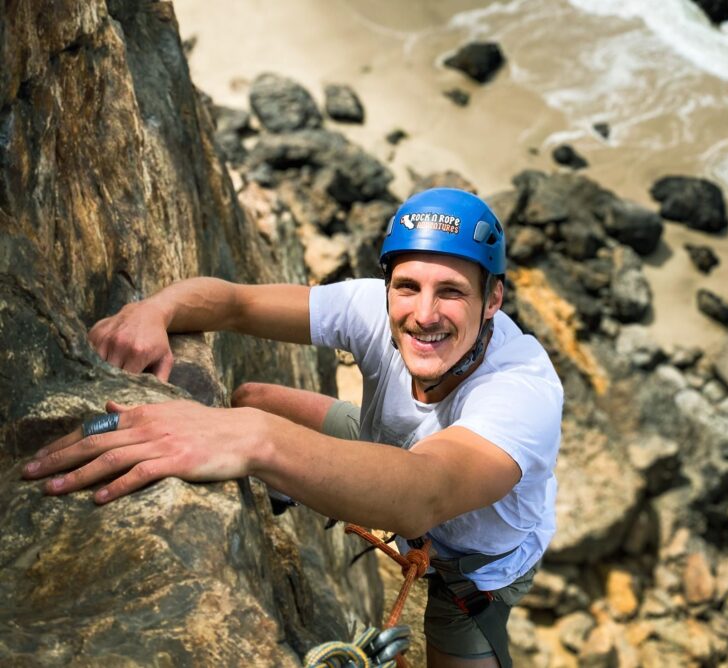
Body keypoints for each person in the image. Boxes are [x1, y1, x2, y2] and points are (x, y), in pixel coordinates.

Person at [22, 188, 563, 667]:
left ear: (492, 299)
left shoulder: (522, 392)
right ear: (387, 285)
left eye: (451, 291)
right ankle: (289, 486)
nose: (423, 314)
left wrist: (254, 439)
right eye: (407, 287)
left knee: (256, 421)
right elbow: (235, 304)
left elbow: (425, 492)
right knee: (252, 400)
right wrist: (155, 309)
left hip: (472, 567)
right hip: (390, 448)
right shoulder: (373, 308)